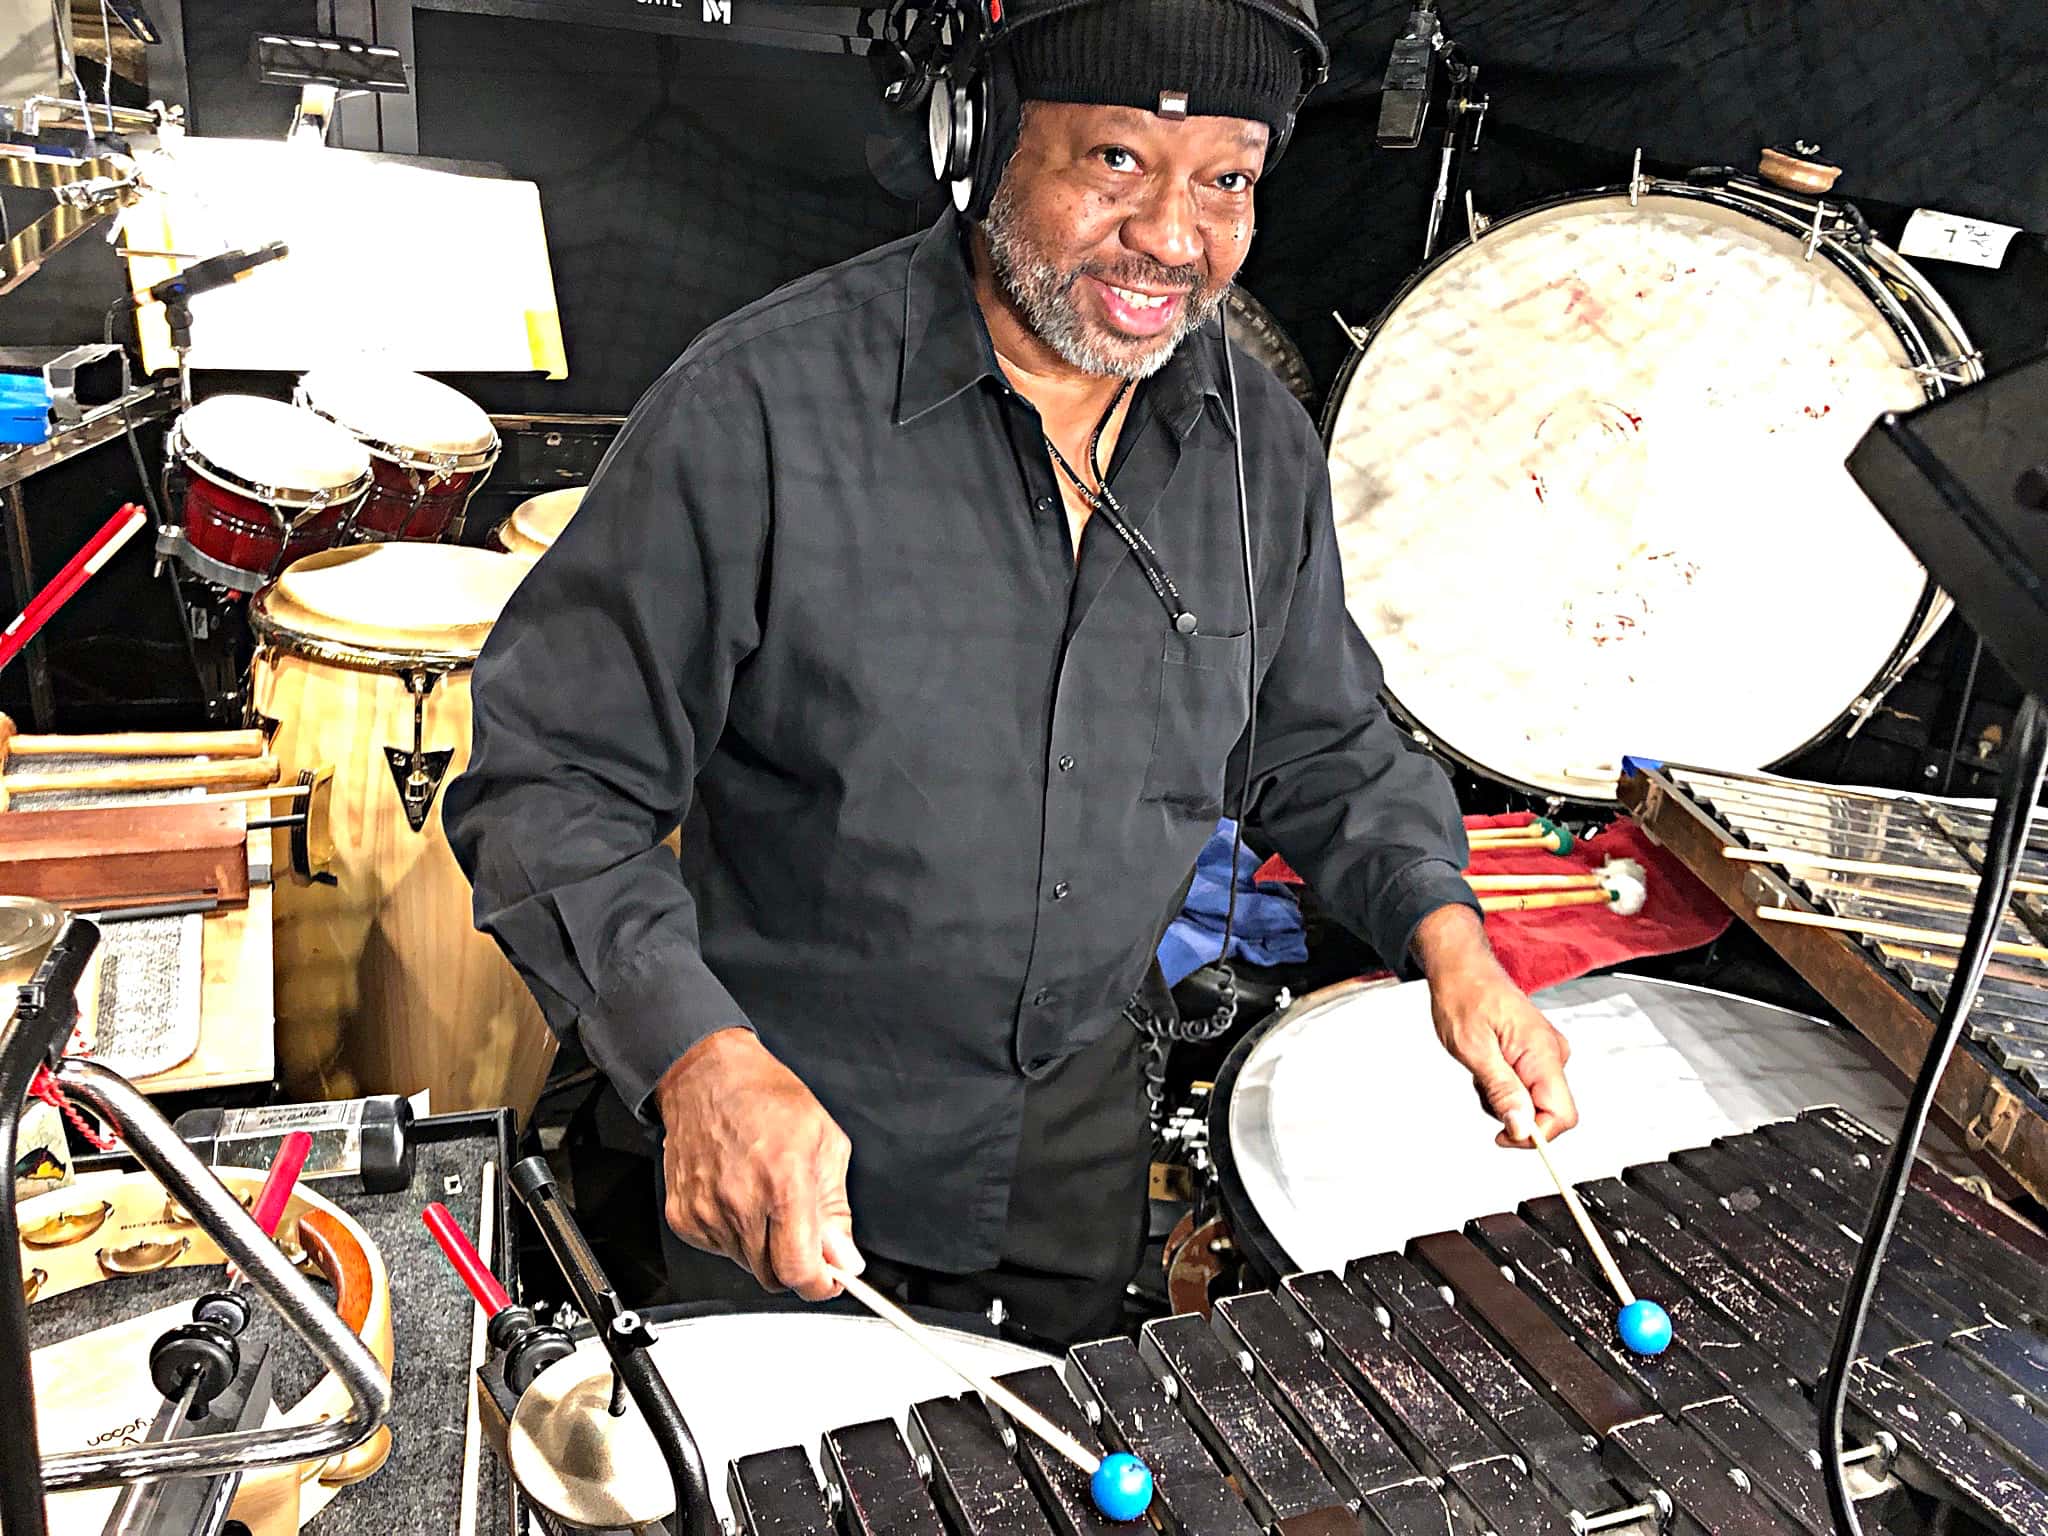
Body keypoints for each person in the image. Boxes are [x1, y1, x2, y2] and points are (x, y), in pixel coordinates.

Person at [444, 0, 1578, 1348]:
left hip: (1065, 1172)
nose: (1173, 235)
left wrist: (1449, 943)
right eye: (1116, 163)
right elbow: (550, 785)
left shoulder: (1252, 441)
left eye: (1226, 181)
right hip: (781, 1148)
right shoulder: (757, 408)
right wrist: (695, 1061)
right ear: (983, 145)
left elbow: (1320, 739)